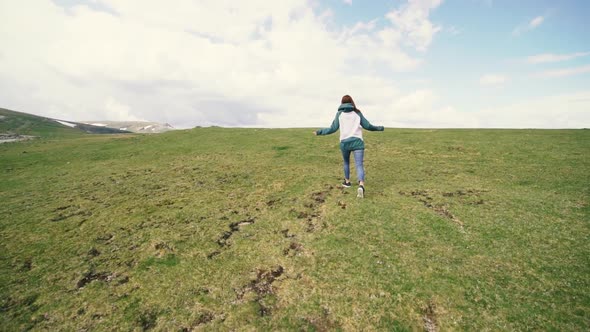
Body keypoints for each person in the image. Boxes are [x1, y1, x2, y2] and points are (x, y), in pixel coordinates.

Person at [313, 95, 384, 198]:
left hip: (345, 143)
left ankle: (347, 182)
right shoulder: (357, 113)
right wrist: (380, 128)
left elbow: (332, 129)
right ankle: (361, 185)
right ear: (351, 102)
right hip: (357, 143)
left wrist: (319, 132)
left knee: (346, 162)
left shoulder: (339, 114)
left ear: (342, 103)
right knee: (359, 165)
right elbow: (368, 126)